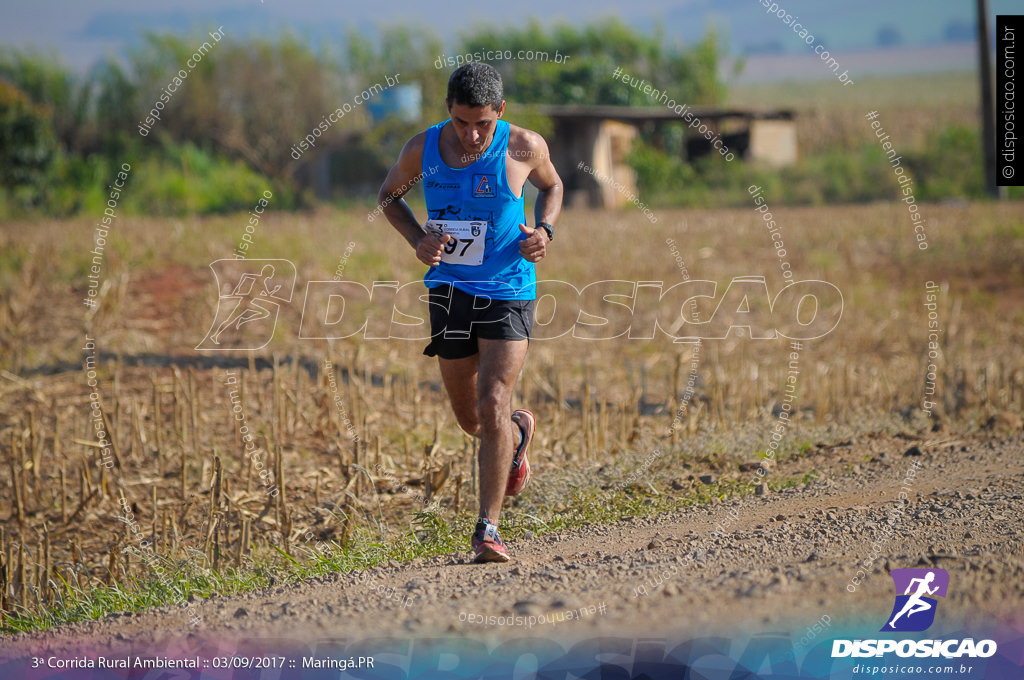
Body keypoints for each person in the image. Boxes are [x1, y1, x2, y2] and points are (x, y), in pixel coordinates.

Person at [377, 62, 562, 563]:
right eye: (462, 122)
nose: (473, 133)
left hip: (509, 287)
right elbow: (388, 196)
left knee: (492, 401)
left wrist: (544, 232)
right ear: (448, 112)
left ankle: (488, 530)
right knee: (470, 419)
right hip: (450, 288)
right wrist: (418, 240)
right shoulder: (423, 148)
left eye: (483, 122)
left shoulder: (524, 144)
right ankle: (520, 433)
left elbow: (553, 187)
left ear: (500, 112)